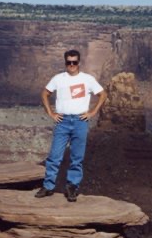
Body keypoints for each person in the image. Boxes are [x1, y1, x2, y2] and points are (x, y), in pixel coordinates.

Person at [35, 50, 107, 202]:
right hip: (62, 122)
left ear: (79, 63)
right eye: (69, 62)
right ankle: (48, 187)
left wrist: (93, 112)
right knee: (54, 156)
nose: (72, 65)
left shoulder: (87, 79)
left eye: (74, 62)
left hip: (80, 122)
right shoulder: (58, 79)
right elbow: (44, 94)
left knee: (77, 158)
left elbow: (103, 94)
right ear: (65, 63)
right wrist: (51, 113)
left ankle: (72, 188)